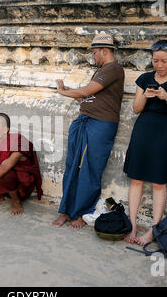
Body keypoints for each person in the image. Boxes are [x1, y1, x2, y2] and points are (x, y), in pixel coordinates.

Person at [52, 32, 125, 229]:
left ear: (104, 50)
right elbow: (86, 98)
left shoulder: (114, 69)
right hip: (84, 120)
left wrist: (63, 92)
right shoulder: (100, 71)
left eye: (94, 52)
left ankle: (81, 213)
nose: (93, 56)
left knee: (90, 169)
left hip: (101, 124)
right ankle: (65, 210)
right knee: (72, 166)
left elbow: (85, 91)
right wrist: (68, 90)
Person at [123, 40, 167, 246]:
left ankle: (154, 230)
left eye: (163, 61)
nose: (159, 65)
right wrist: (145, 95)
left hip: (165, 133)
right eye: (155, 61)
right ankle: (132, 224)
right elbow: (136, 109)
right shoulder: (144, 79)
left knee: (159, 182)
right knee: (136, 179)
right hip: (143, 131)